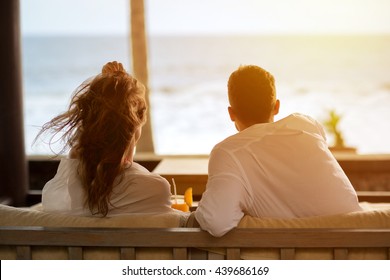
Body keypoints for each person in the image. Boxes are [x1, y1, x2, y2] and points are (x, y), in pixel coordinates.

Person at [195, 65, 362, 237]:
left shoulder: (228, 152)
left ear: (231, 113)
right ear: (276, 106)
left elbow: (216, 223)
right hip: (361, 243)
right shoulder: (307, 125)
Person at [36, 61, 172, 216]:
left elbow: (78, 154)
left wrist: (109, 89)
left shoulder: (57, 193)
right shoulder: (154, 189)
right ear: (136, 125)